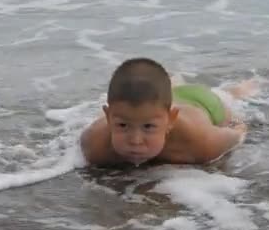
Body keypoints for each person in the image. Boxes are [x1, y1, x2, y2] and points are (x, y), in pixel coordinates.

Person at [79, 57, 257, 167]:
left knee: (230, 96)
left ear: (171, 120)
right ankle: (170, 83)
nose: (135, 140)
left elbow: (236, 133)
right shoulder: (94, 145)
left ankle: (243, 88)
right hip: (159, 107)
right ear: (109, 118)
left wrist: (237, 124)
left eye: (148, 127)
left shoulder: (202, 142)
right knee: (154, 100)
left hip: (200, 102)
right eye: (123, 125)